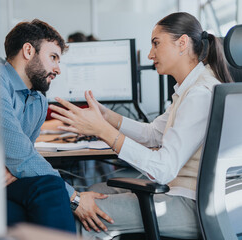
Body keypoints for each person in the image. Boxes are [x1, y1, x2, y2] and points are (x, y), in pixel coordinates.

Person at [49, 12, 232, 239]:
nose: (150, 54)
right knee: (95, 192)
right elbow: (153, 133)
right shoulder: (194, 87)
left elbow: (163, 170)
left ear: (182, 43)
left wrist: (102, 131)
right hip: (188, 196)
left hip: (191, 206)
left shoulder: (198, 95)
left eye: (156, 43)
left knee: (87, 215)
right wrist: (107, 117)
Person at [0, 19, 113, 233]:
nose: (58, 69)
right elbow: (20, 156)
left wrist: (14, 168)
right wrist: (75, 198)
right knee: (54, 191)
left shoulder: (39, 101)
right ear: (28, 50)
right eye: (53, 57)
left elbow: (23, 154)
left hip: (5, 181)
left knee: (50, 190)